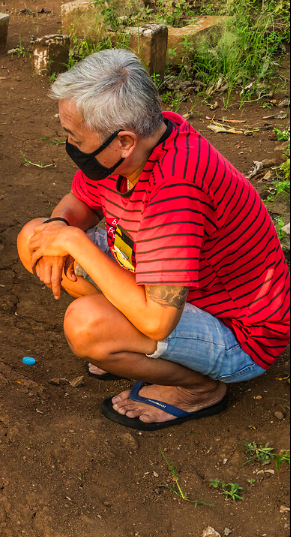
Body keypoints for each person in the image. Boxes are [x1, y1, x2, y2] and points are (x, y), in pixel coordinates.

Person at [16, 49, 290, 431]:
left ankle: (199, 389)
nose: (70, 145)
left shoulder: (176, 189)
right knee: (36, 236)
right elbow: (80, 201)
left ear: (124, 140)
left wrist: (74, 242)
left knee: (86, 325)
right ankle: (126, 344)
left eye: (75, 137)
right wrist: (60, 226)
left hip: (239, 333)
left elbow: (157, 321)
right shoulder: (140, 144)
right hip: (173, 290)